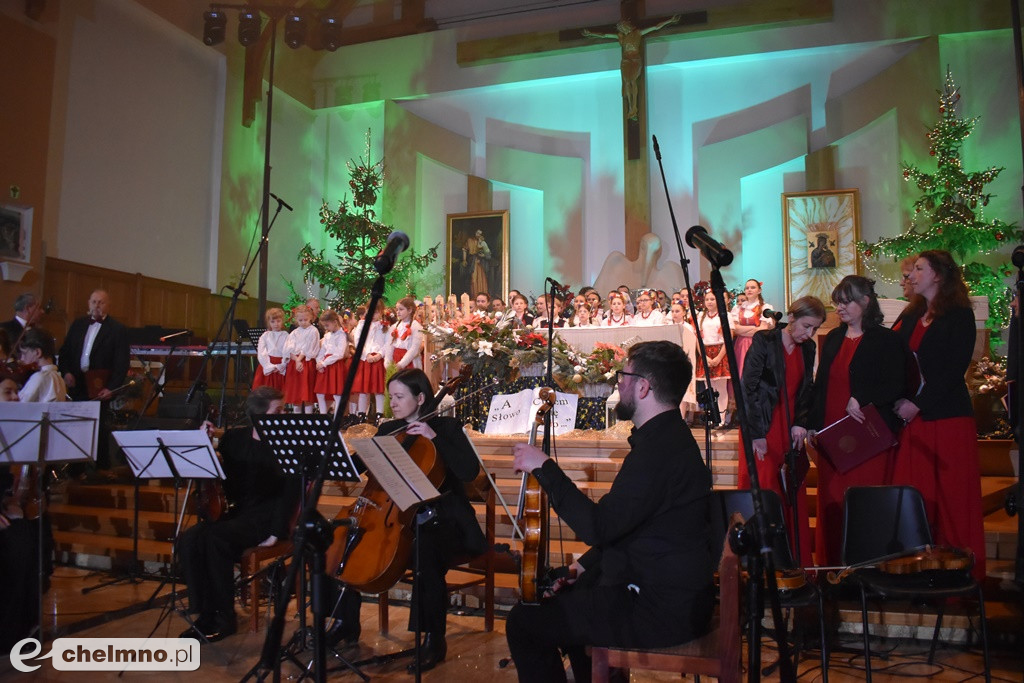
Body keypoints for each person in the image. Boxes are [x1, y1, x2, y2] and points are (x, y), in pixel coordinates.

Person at [507, 341, 714, 682]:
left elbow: (599, 527)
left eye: (625, 375)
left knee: (524, 622)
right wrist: (580, 565)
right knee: (574, 591)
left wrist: (544, 466)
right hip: (671, 595)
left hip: (660, 610)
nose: (619, 383)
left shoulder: (657, 453)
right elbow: (629, 527)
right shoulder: (668, 439)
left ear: (644, 386)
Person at [377, 369, 486, 672]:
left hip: (447, 521)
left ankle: (433, 639)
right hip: (399, 519)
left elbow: (466, 471)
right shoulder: (388, 429)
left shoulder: (447, 427)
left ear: (421, 398)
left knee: (424, 549)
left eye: (399, 397)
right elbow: (368, 468)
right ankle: (345, 622)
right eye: (390, 397)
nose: (393, 404)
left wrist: (434, 438)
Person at [891, 250, 986, 581]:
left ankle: (958, 574)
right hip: (912, 421)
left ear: (939, 276)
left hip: (946, 418)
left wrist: (918, 403)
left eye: (919, 269)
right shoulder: (912, 313)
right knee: (916, 496)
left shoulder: (958, 315)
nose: (911, 274)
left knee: (952, 497)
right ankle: (918, 572)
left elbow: (953, 368)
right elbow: (892, 354)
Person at [178, 386, 298, 643]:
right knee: (189, 540)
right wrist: (205, 444)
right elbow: (214, 474)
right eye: (279, 410)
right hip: (237, 513)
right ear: (260, 415)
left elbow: (290, 493)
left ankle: (224, 617)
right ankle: (204, 613)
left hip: (266, 518)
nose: (284, 413)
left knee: (215, 539)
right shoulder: (235, 439)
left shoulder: (287, 445)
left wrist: (277, 532)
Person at [808, 275, 905, 567]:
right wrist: (813, 423)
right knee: (832, 500)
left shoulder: (885, 339)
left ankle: (868, 569)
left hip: (866, 436)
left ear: (865, 302)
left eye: (846, 301)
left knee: (865, 500)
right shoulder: (834, 338)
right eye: (838, 302)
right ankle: (834, 568)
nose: (840, 307)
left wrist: (862, 397)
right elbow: (821, 382)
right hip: (832, 433)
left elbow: (897, 384)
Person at [739, 296, 825, 567]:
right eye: (806, 326)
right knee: (767, 491)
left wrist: (801, 421)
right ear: (793, 317)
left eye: (814, 329)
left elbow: (806, 387)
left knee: (791, 490)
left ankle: (794, 564)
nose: (809, 333)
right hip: (762, 426)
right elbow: (747, 388)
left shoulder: (808, 347)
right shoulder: (765, 341)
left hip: (789, 428)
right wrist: (756, 434)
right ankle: (766, 566)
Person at [58, 289, 130, 401]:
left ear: (108, 305)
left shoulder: (117, 329)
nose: (97, 306)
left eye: (101, 302)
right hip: (76, 384)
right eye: (94, 302)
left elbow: (122, 363)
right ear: (89, 303)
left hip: (100, 387)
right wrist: (66, 372)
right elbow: (65, 352)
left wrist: (111, 388)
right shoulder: (78, 324)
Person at [693, 290, 730, 422]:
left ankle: (721, 417)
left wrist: (719, 357)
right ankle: (712, 417)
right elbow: (698, 338)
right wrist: (704, 357)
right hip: (705, 352)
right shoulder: (701, 316)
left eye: (712, 299)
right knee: (709, 388)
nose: (709, 302)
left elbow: (728, 338)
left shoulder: (725, 315)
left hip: (720, 351)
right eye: (707, 299)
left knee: (720, 388)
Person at [350, 301, 389, 419]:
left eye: (376, 312)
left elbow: (388, 343)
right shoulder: (362, 324)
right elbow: (358, 341)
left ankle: (379, 415)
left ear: (381, 312)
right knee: (363, 389)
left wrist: (379, 355)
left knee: (379, 389)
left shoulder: (385, 326)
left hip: (378, 359)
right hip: (365, 359)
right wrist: (366, 354)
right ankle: (361, 415)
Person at [730, 279, 775, 378]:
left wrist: (743, 330)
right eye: (747, 288)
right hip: (740, 346)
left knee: (756, 373)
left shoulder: (765, 307)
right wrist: (754, 328)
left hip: (757, 344)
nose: (749, 290)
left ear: (759, 290)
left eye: (753, 287)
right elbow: (735, 329)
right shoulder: (737, 308)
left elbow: (763, 329)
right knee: (740, 373)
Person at [282, 304, 320, 414]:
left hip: (307, 363)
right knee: (296, 394)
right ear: (296, 320)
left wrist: (299, 359)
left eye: (306, 319)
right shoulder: (294, 332)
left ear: (311, 318)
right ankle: (296, 418)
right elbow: (288, 348)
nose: (303, 322)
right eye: (300, 320)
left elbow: (309, 347)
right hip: (294, 363)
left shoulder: (313, 331)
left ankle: (308, 419)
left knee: (307, 394)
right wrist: (296, 359)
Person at [17, 328, 68, 403]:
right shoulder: (59, 378)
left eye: (24, 354)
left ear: (37, 352)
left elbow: (19, 405)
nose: (21, 359)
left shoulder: (39, 377)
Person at [315, 310, 349, 416]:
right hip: (325, 365)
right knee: (320, 393)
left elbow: (339, 354)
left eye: (327, 325)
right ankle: (322, 416)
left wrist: (324, 363)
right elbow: (322, 351)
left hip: (335, 366)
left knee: (337, 394)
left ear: (335, 322)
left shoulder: (342, 335)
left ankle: (336, 419)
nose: (326, 328)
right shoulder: (327, 336)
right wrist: (319, 362)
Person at [252, 307, 288, 392]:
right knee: (265, 392)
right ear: (269, 322)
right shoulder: (265, 336)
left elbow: (288, 352)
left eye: (278, 321)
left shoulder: (286, 335)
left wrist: (282, 365)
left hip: (280, 366)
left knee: (279, 392)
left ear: (282, 321)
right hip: (267, 365)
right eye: (273, 321)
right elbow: (261, 352)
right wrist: (268, 366)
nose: (276, 324)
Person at [387, 296, 424, 370]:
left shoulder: (416, 327)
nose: (398, 312)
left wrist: (401, 364)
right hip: (395, 360)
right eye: (397, 309)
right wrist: (388, 363)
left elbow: (414, 349)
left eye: (401, 309)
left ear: (409, 310)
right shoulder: (394, 327)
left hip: (409, 361)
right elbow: (389, 346)